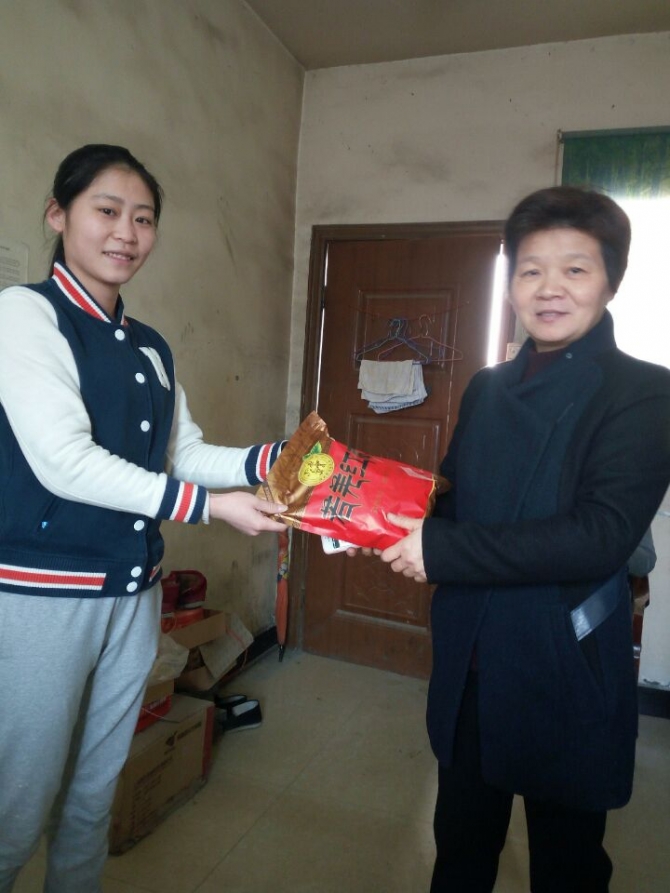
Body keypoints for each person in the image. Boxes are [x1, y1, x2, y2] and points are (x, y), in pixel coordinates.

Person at [0, 144, 287, 892]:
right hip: (41, 596)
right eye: (107, 211)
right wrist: (210, 509)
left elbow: (182, 452)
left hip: (134, 596)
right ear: (58, 214)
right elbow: (64, 460)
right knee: (14, 808)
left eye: (144, 219)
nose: (126, 233)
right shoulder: (24, 315)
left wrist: (279, 459)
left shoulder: (149, 345)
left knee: (93, 796)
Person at [370, 186, 670, 892]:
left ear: (612, 280)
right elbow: (449, 495)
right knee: (461, 847)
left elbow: (599, 536)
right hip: (471, 653)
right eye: (531, 269)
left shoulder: (645, 392)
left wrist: (440, 551)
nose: (549, 288)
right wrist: (371, 515)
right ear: (510, 284)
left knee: (568, 863)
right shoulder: (488, 385)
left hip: (561, 661)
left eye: (575, 269)